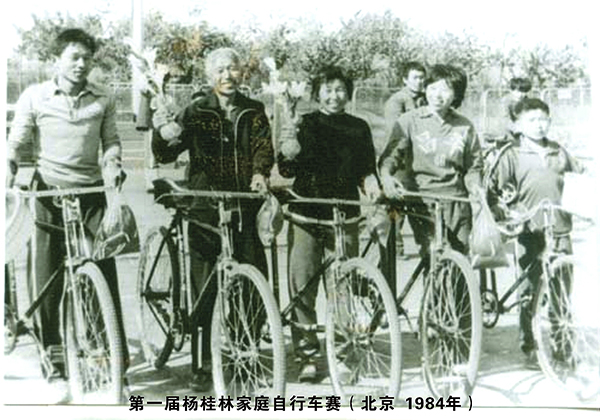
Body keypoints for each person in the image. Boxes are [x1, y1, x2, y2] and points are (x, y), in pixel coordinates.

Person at [6, 28, 128, 380]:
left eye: (87, 58)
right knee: (46, 275)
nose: (81, 64)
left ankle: (109, 356)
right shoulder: (35, 96)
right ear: (55, 61)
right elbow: (15, 143)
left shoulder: (102, 98)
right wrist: (7, 172)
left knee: (102, 270)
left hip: (91, 194)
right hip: (48, 193)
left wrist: (112, 163)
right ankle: (53, 356)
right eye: (74, 57)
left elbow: (111, 141)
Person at [151, 47, 274, 391]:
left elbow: (264, 147)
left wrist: (260, 173)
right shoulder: (197, 110)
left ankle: (244, 352)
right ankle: (201, 362)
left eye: (232, 68)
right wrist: (162, 133)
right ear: (209, 76)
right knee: (203, 287)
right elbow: (167, 152)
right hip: (204, 207)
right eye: (219, 70)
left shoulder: (253, 110)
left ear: (241, 73)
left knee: (252, 281)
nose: (227, 75)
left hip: (243, 205)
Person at [278, 66, 380, 382]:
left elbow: (366, 169)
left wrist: (371, 185)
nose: (334, 96)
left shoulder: (359, 127)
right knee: (302, 288)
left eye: (340, 90)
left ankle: (343, 354)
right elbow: (286, 168)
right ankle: (307, 355)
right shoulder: (303, 123)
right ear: (316, 93)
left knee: (343, 288)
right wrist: (288, 141)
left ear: (348, 93)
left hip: (344, 216)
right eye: (327, 89)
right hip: (306, 215)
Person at [487, 97, 583, 367]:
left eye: (543, 119)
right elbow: (494, 191)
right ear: (518, 124)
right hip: (530, 231)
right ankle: (529, 344)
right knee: (530, 290)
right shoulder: (512, 154)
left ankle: (563, 347)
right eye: (532, 120)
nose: (539, 125)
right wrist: (507, 213)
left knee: (561, 291)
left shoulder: (558, 151)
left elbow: (580, 176)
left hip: (560, 230)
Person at [379, 64, 483, 256]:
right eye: (432, 88)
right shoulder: (410, 120)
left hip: (457, 201)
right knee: (434, 257)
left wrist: (475, 187)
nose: (437, 95)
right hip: (422, 202)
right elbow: (391, 156)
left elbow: (473, 167)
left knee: (461, 259)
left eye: (445, 90)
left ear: (456, 94)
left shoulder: (465, 126)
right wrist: (386, 177)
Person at [380, 62, 427, 261]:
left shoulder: (426, 98)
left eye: (422, 78)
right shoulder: (397, 101)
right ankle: (395, 248)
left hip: (418, 162)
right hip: (399, 162)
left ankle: (424, 247)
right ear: (405, 80)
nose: (420, 81)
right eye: (415, 77)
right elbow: (398, 133)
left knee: (418, 206)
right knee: (396, 207)